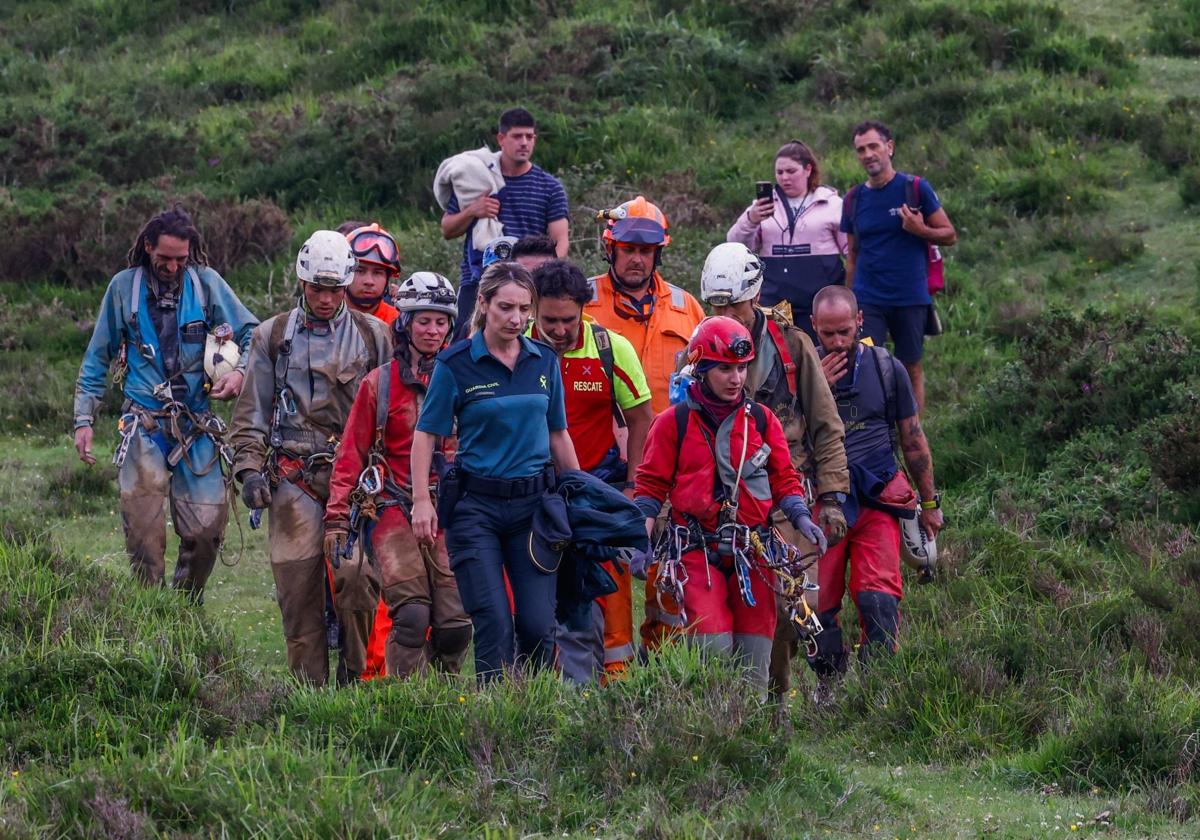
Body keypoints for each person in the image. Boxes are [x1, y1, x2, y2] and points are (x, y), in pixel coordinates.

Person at [230, 231, 392, 686]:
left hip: (357, 481)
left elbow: (396, 407)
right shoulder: (271, 335)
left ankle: (356, 682)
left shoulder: (375, 336)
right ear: (301, 283)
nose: (325, 299)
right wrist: (247, 470)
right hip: (292, 474)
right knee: (297, 592)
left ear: (346, 286)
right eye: (317, 289)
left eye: (334, 290)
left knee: (358, 580)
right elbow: (251, 411)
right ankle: (310, 696)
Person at [73, 205, 258, 599]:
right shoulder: (123, 288)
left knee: (208, 531)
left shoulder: (207, 284)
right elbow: (97, 355)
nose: (172, 267)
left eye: (180, 259)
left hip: (198, 426)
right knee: (144, 537)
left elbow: (251, 333)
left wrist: (240, 373)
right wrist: (83, 419)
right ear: (147, 247)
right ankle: (152, 614)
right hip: (144, 425)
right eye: (164, 258)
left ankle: (185, 604)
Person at [634, 317, 827, 691]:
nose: (736, 378)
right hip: (694, 552)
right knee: (713, 652)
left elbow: (784, 479)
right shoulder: (672, 423)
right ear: (701, 369)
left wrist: (802, 518)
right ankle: (714, 734)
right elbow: (650, 489)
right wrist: (639, 541)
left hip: (753, 553)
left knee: (755, 664)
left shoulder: (762, 421)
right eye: (724, 369)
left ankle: (752, 741)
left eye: (741, 368)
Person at [410, 262, 580, 684]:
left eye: (525, 309)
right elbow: (425, 436)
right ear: (483, 304)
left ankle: (538, 720)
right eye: (506, 307)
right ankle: (494, 725)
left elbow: (558, 435)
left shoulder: (544, 361)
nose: (516, 319)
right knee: (494, 625)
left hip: (533, 510)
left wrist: (579, 495)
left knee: (539, 628)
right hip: (476, 510)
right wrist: (420, 501)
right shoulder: (455, 364)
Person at [696, 241, 850, 698]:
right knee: (735, 612)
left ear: (755, 294)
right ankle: (751, 707)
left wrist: (834, 496)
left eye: (736, 304)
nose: (729, 313)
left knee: (793, 609)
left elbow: (826, 424)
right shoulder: (700, 346)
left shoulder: (793, 346)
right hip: (721, 506)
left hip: (787, 502)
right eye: (718, 304)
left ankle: (784, 701)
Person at [325, 271, 472, 678]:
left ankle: (446, 693)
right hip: (392, 505)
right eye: (424, 320)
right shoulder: (379, 384)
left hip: (450, 509)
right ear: (405, 323)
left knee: (456, 624)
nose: (433, 330)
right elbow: (351, 453)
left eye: (441, 321)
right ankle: (407, 702)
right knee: (410, 614)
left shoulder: (465, 381)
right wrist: (338, 518)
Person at [806, 285, 943, 694]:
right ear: (813, 327)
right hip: (821, 504)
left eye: (844, 331)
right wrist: (817, 389)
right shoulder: (799, 373)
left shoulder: (887, 368)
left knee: (878, 597)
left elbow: (913, 439)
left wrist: (931, 503)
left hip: (880, 500)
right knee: (818, 605)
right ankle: (827, 688)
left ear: (860, 321)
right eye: (828, 334)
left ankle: (877, 692)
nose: (837, 342)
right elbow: (782, 438)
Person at [529, 259, 653, 682]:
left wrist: (634, 484)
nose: (559, 330)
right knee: (542, 594)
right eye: (549, 321)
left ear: (584, 307)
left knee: (613, 594)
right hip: (534, 492)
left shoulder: (610, 348)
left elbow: (641, 416)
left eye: (568, 320)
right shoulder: (518, 345)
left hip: (597, 489)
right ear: (531, 309)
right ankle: (546, 688)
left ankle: (617, 684)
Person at [841, 120, 956, 413]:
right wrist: (848, 302)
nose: (867, 154)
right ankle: (874, 429)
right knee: (865, 363)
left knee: (911, 366)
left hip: (910, 296)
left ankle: (913, 436)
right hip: (869, 299)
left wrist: (920, 229)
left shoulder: (915, 188)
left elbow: (949, 234)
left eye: (873, 146)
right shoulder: (854, 198)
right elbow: (852, 255)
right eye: (860, 150)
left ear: (889, 148)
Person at [440, 108, 569, 339]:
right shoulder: (477, 179)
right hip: (478, 279)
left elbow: (560, 240)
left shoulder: (550, 187)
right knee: (462, 342)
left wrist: (547, 279)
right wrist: (472, 210)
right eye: (517, 136)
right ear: (501, 138)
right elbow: (448, 228)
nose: (524, 143)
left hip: (530, 283)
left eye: (529, 137)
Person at [584, 195, 705, 414]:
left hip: (670, 439)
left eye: (646, 251)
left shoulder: (686, 306)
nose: (637, 260)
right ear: (610, 249)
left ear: (657, 254)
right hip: (604, 441)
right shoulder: (582, 302)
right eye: (628, 249)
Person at [726, 140, 848, 343]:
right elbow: (735, 244)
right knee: (779, 358)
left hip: (819, 302)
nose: (784, 178)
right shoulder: (762, 206)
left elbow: (851, 250)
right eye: (779, 172)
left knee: (818, 359)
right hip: (776, 301)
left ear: (808, 169)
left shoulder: (832, 204)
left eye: (791, 171)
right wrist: (751, 219)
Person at [344, 223, 402, 326]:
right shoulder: (325, 315)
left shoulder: (399, 324)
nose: (369, 281)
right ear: (344, 272)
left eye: (377, 273)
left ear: (388, 278)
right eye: (360, 271)